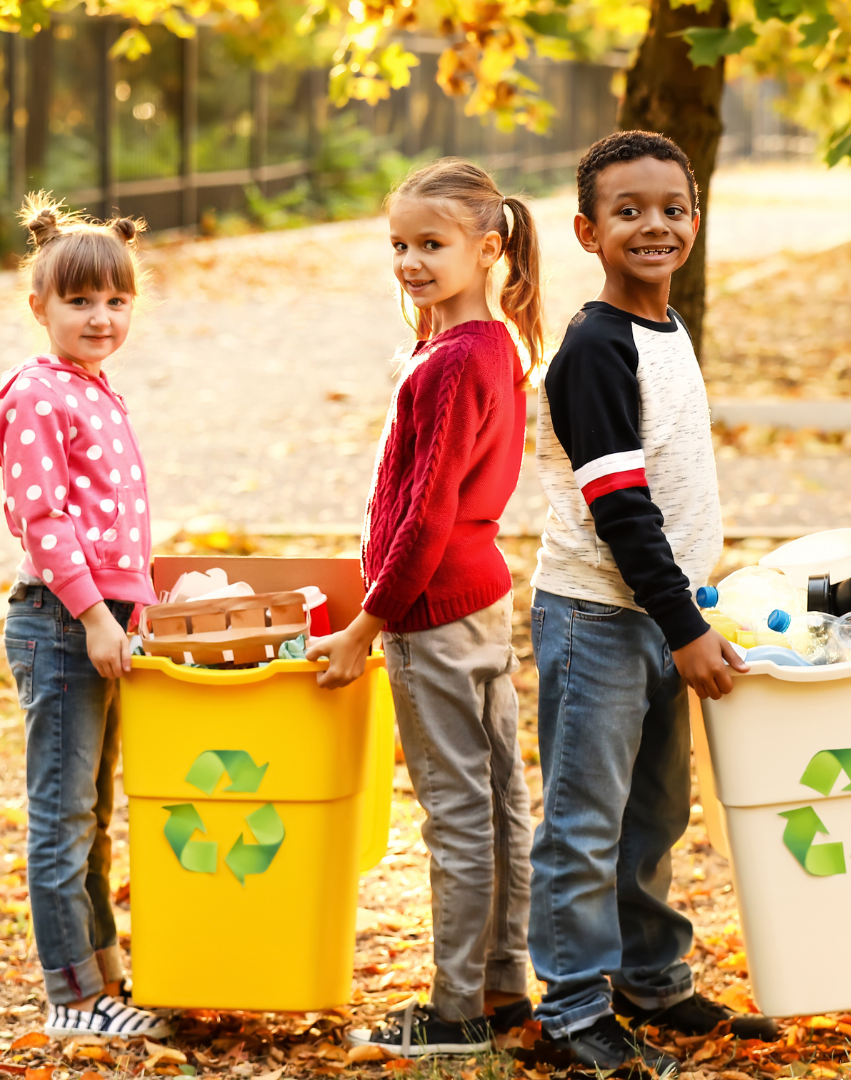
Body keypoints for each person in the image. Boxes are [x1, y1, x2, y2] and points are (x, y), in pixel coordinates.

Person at [526, 130, 780, 1074]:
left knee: (654, 812)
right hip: (601, 617)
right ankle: (572, 1011)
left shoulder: (666, 329)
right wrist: (688, 629)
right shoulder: (593, 347)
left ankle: (649, 977)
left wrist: (690, 612)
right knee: (587, 821)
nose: (654, 226)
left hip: (659, 616)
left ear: (696, 221)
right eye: (628, 212)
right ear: (589, 231)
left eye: (671, 209)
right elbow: (622, 511)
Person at [306, 158, 543, 1059]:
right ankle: (502, 982)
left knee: (457, 810)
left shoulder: (454, 362)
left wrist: (367, 625)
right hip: (478, 599)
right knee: (496, 800)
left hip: (435, 610)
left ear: (488, 250)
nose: (409, 260)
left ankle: (454, 1011)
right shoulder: (491, 346)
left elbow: (428, 510)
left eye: (431, 245)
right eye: (399, 244)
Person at [0, 195, 170, 1039]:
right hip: (62, 623)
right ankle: (73, 999)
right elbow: (44, 520)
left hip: (105, 620)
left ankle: (102, 974)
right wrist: (95, 616)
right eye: (80, 301)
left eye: (116, 301)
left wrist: (140, 608)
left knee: (91, 813)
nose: (101, 317)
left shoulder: (91, 388)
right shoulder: (35, 394)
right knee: (61, 818)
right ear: (39, 306)